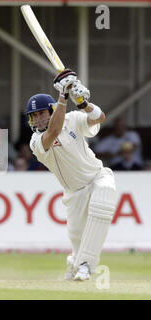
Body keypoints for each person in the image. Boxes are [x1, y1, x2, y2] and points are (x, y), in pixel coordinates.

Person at [27, 69, 117, 281]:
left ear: (51, 110)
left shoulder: (73, 118)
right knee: (77, 237)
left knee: (105, 194)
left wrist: (82, 102)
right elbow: (53, 132)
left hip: (97, 177)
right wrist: (63, 96)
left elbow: (99, 117)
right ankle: (76, 262)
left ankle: (86, 265)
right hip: (74, 192)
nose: (37, 119)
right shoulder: (36, 142)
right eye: (33, 115)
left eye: (41, 113)